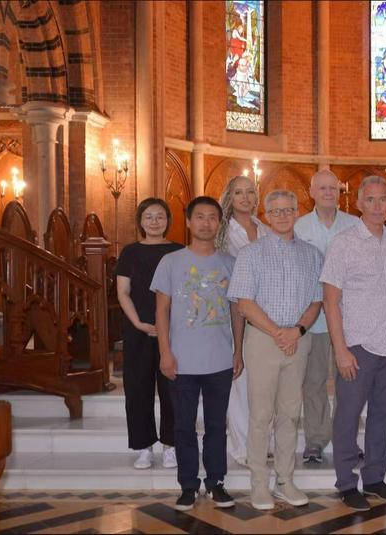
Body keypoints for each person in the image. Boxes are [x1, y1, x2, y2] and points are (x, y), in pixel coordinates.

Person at [228, 190, 324, 511]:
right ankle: (259, 483)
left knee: (289, 413)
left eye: (288, 209)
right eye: (276, 211)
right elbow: (243, 302)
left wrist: (295, 331)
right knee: (260, 415)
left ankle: (285, 479)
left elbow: (316, 301)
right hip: (263, 341)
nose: (283, 215)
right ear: (266, 215)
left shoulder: (312, 255)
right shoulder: (251, 254)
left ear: (298, 211)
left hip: (298, 339)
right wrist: (277, 333)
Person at [320, 175, 386, 511]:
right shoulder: (344, 242)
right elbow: (330, 300)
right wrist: (340, 349)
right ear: (357, 203)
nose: (377, 205)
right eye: (370, 199)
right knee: (348, 414)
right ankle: (346, 482)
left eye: (383, 199)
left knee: (383, 415)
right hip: (357, 343)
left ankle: (374, 477)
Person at [152, 196, 244, 512]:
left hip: (219, 359)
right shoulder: (171, 262)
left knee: (217, 425)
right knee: (183, 426)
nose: (206, 222)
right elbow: (161, 311)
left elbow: (236, 313)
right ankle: (188, 485)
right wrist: (165, 352)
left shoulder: (230, 264)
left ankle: (216, 483)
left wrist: (238, 351)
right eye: (200, 217)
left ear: (219, 224)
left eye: (212, 217)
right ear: (189, 222)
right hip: (181, 361)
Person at [295, 169, 359, 464]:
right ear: (311, 191)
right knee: (314, 382)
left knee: (351, 383)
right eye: (322, 188)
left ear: (340, 191)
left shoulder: (355, 225)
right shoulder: (298, 227)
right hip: (314, 319)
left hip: (350, 318)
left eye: (333, 188)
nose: (328, 193)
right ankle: (316, 441)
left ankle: (347, 440)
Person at [116, 198, 183, 470]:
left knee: (173, 390)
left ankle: (171, 445)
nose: (154, 221)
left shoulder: (179, 251)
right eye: (149, 216)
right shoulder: (130, 252)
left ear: (168, 220)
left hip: (174, 331)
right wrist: (139, 324)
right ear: (140, 221)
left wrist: (170, 324)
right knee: (138, 389)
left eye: (160, 216)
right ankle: (143, 447)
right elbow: (123, 293)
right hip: (138, 331)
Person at [215, 175, 269, 467]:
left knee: (261, 382)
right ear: (230, 197)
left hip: (263, 313)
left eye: (250, 192)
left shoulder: (264, 228)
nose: (245, 198)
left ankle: (262, 441)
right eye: (239, 192)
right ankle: (242, 447)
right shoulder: (221, 231)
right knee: (239, 379)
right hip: (231, 312)